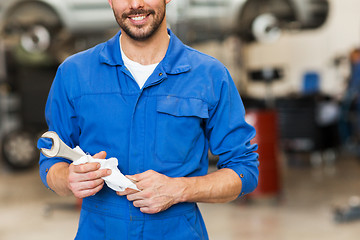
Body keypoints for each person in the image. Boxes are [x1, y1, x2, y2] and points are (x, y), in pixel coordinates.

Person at [38, 0, 259, 239]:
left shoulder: (209, 75)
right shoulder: (74, 73)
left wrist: (179, 189)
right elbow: (51, 163)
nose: (135, 4)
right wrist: (68, 179)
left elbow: (244, 170)